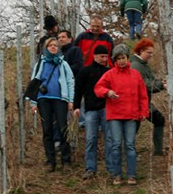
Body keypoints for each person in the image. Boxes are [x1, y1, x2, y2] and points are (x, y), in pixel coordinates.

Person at [94, 44, 149, 186]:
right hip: (115, 115)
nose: (121, 61)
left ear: (127, 58)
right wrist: (107, 92)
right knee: (116, 145)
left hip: (131, 115)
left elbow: (143, 95)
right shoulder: (110, 74)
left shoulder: (136, 75)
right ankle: (117, 175)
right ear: (115, 60)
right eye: (118, 59)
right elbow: (98, 88)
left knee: (130, 145)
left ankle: (132, 175)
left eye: (123, 58)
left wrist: (143, 112)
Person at [28, 38, 75, 173]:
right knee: (47, 130)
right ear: (46, 47)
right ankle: (51, 161)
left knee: (63, 128)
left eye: (56, 45)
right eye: (51, 45)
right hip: (43, 99)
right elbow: (34, 83)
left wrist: (70, 100)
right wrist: (33, 102)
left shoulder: (63, 64)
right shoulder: (40, 64)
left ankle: (66, 161)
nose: (53, 47)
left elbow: (70, 81)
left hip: (60, 99)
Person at [73, 44, 112, 179]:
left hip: (107, 108)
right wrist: (76, 106)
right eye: (102, 56)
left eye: (106, 56)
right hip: (90, 109)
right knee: (90, 139)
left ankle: (111, 168)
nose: (104, 59)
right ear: (94, 56)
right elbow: (78, 90)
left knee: (109, 138)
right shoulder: (85, 71)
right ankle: (90, 169)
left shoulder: (109, 71)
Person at [130, 38, 166, 156]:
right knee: (133, 128)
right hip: (137, 104)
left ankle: (158, 151)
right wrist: (162, 85)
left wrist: (160, 82)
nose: (151, 55)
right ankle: (129, 152)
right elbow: (147, 85)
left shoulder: (143, 65)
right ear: (141, 51)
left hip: (144, 103)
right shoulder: (136, 66)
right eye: (149, 52)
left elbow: (151, 81)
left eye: (152, 52)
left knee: (159, 120)